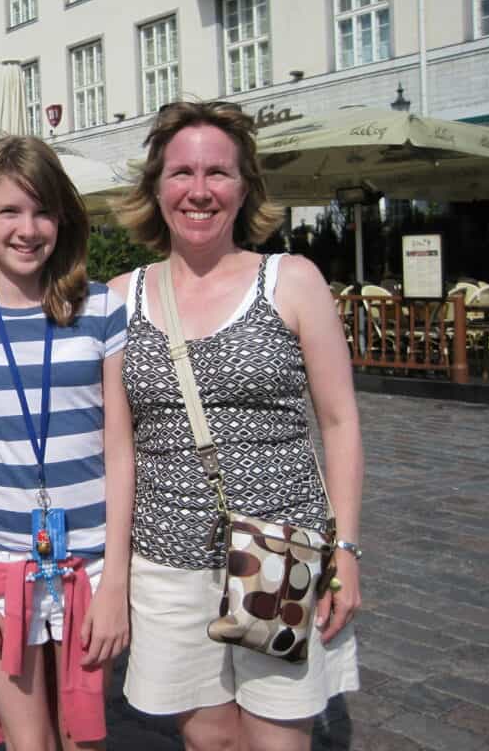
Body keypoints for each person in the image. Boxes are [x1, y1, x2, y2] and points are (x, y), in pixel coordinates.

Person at [108, 102, 362, 751]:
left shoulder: (292, 280)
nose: (199, 190)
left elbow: (339, 423)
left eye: (217, 173)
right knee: (211, 740)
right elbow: (109, 444)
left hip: (282, 551)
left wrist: (347, 552)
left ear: (244, 185)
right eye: (181, 172)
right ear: (156, 186)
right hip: (167, 562)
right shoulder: (118, 298)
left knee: (278, 738)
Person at [0, 136, 134, 750]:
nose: (28, 229)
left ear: (63, 218)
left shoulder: (99, 307)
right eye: (9, 212)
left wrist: (116, 580)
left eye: (42, 211)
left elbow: (121, 451)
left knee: (86, 741)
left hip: (88, 562)